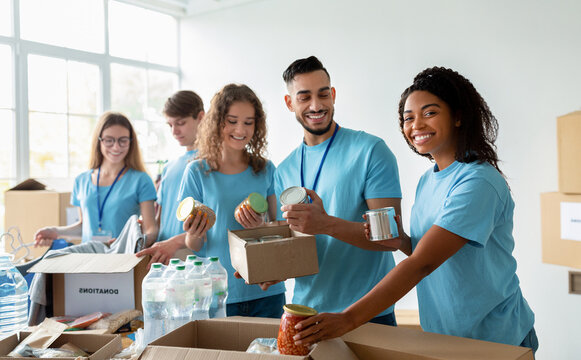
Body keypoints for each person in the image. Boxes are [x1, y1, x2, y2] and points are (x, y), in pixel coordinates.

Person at [292, 67, 538, 354]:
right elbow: (429, 252)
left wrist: (349, 319)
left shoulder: (478, 182)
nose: (416, 125)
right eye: (408, 118)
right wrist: (401, 242)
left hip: (496, 339)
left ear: (458, 116)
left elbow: (422, 264)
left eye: (430, 113)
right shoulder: (428, 180)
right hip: (446, 339)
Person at [271, 56, 403, 326]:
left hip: (368, 313)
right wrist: (270, 269)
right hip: (306, 315)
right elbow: (299, 244)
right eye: (304, 97)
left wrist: (326, 224)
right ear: (289, 103)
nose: (316, 105)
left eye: (323, 95)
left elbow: (391, 238)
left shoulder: (370, 151)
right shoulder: (283, 170)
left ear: (333, 95)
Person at [177, 83, 286, 318]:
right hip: (219, 292)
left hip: (266, 290)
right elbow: (194, 246)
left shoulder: (266, 169)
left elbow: (280, 230)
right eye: (232, 120)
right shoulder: (197, 171)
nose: (241, 129)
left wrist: (260, 228)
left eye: (248, 122)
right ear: (217, 122)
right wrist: (194, 234)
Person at [34, 111, 158, 247]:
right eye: (109, 140)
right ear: (99, 141)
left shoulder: (141, 180)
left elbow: (151, 229)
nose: (116, 147)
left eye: (123, 140)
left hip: (122, 260)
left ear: (131, 142)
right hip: (88, 260)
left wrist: (131, 243)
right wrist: (55, 231)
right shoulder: (81, 181)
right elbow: (84, 227)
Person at [136, 90, 205, 266]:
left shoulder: (212, 164)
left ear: (201, 117)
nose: (175, 131)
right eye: (170, 125)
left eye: (181, 123)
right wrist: (136, 238)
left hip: (194, 259)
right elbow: (159, 220)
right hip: (163, 258)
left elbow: (215, 222)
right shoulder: (169, 166)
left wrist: (174, 243)